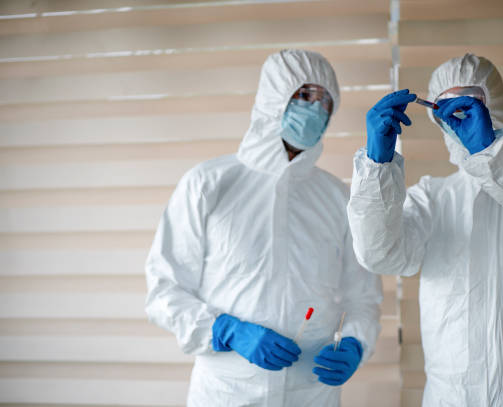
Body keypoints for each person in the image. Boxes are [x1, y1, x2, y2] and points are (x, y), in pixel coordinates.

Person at [347, 53, 503, 406]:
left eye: (471, 102)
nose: (460, 116)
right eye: (447, 107)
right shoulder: (433, 197)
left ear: (495, 103)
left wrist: (492, 151)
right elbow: (381, 255)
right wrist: (378, 167)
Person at [145, 49, 382, 406]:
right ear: (274, 97)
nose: (315, 109)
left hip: (311, 393)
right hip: (227, 392)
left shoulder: (338, 197)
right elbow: (164, 290)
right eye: (304, 95)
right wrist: (227, 331)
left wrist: (355, 343)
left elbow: (363, 298)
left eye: (325, 101)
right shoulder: (208, 184)